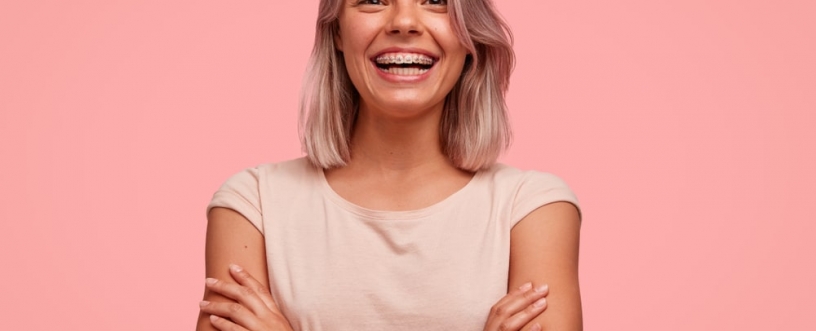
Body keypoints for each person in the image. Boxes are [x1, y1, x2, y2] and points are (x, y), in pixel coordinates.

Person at [196, 0, 582, 330]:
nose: (404, 21)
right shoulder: (253, 205)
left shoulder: (533, 210)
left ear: (471, 37)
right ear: (336, 32)